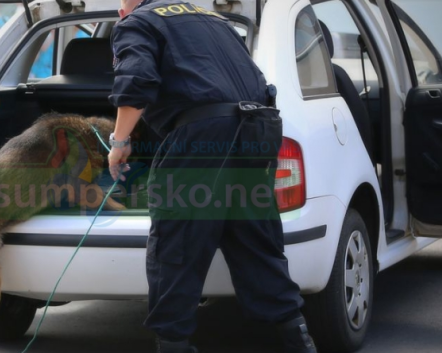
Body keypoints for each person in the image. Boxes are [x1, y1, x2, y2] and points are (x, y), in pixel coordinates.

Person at [107, 1, 317, 352]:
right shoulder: (211, 17)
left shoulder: (138, 22)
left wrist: (120, 141)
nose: (118, 10)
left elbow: (137, 81)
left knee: (177, 248)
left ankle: (173, 345)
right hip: (257, 130)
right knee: (257, 244)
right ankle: (298, 341)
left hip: (204, 137)